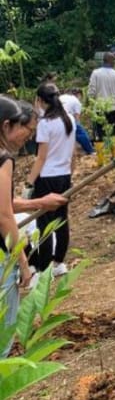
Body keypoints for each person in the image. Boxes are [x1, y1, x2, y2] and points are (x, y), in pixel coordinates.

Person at [0, 97, 68, 356]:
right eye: (25, 131)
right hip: (1, 262)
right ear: (7, 125)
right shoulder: (3, 158)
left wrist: (39, 202)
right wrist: (23, 263)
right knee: (3, 334)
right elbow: (4, 215)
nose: (27, 139)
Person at [25, 83, 76, 276]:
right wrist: (70, 172)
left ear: (40, 100)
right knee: (62, 219)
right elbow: (73, 153)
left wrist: (30, 181)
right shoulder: (69, 119)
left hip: (47, 176)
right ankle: (59, 262)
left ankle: (44, 266)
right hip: (64, 175)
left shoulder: (45, 124)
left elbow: (41, 157)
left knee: (44, 222)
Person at [87, 52, 115, 140]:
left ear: (103, 60)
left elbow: (91, 92)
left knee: (99, 132)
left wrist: (90, 104)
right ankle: (113, 150)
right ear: (113, 62)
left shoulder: (96, 73)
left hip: (99, 109)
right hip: (114, 108)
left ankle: (102, 151)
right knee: (113, 131)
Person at [59, 89, 94, 155]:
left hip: (53, 117)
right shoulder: (77, 101)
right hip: (65, 117)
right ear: (79, 95)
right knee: (81, 133)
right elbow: (77, 119)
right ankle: (90, 151)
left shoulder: (62, 96)